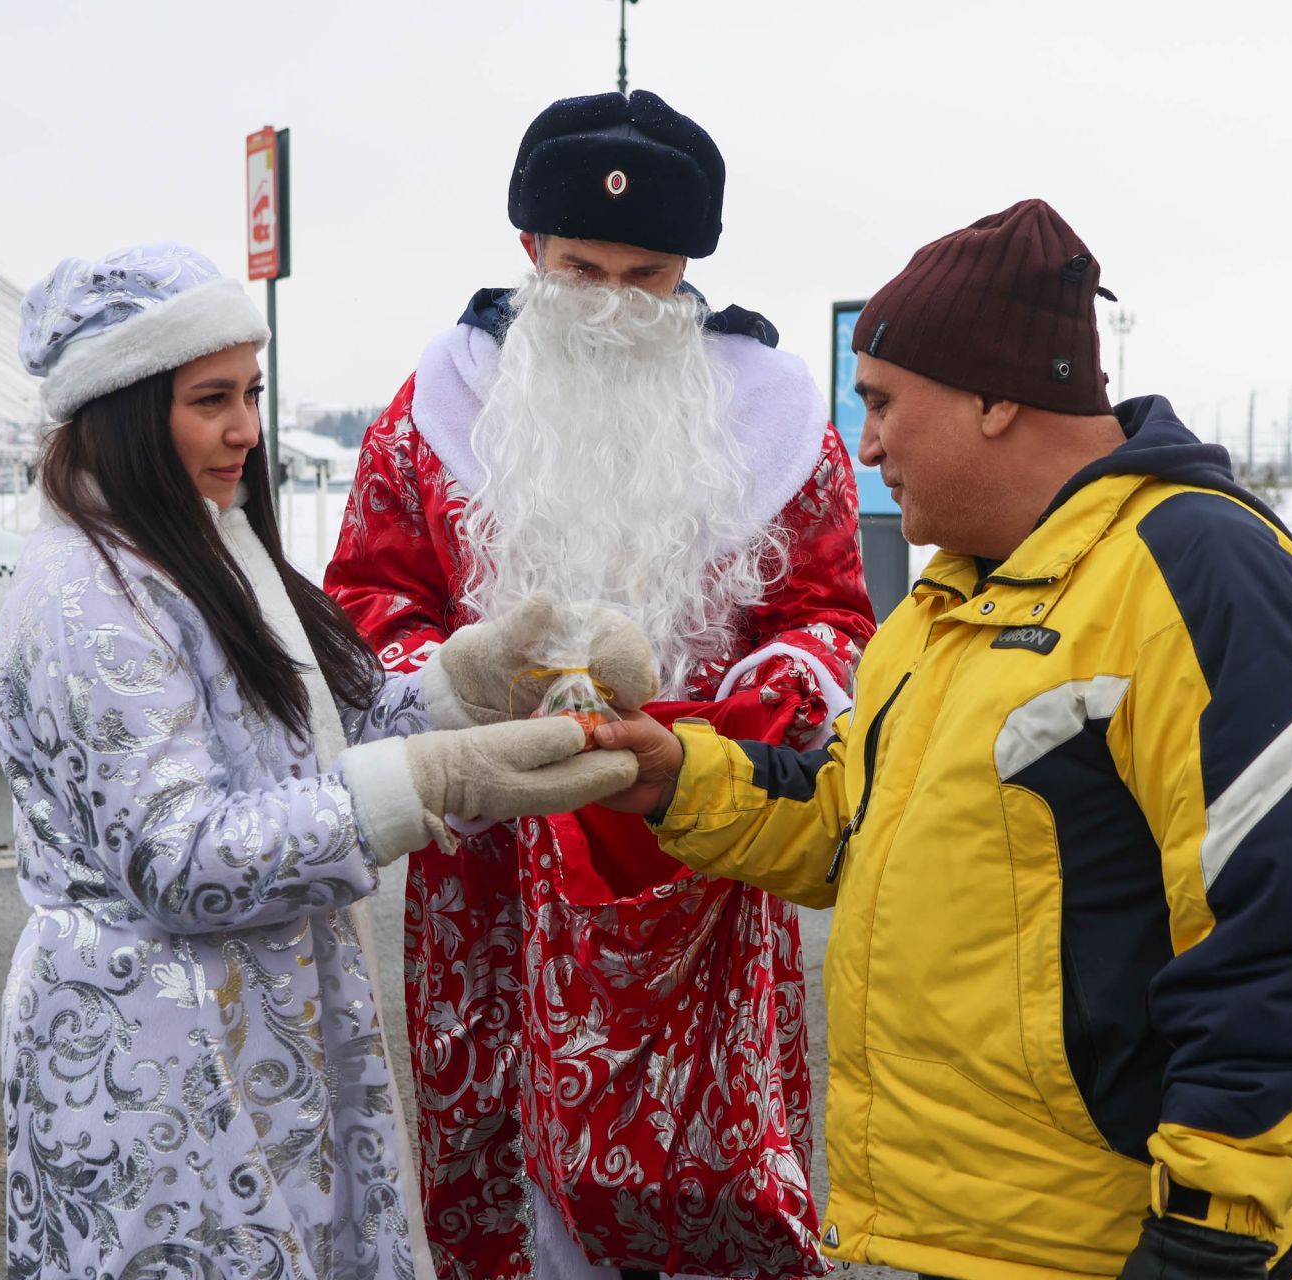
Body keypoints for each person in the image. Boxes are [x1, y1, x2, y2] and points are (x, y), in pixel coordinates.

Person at [595, 201, 1292, 1280]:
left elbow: (1286, 939)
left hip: (1106, 1251)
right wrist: (676, 773)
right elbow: (848, 823)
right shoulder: (952, 595)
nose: (864, 441)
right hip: (946, 1235)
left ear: (996, 397)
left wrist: (1212, 1238)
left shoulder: (1202, 572)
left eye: (881, 403)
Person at [0, 245, 640, 1280]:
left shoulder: (202, 544)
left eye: (250, 391)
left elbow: (323, 739)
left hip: (256, 1032)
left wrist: (458, 690)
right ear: (120, 408)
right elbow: (180, 856)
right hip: (160, 1057)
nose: (245, 426)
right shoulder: (86, 593)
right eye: (211, 399)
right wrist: (430, 782)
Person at [326, 91, 875, 1280]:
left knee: (700, 1175)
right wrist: (457, 686)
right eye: (583, 269)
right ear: (529, 251)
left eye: (648, 273)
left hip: (699, 855)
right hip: (494, 872)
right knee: (511, 1174)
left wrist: (730, 717)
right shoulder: (431, 413)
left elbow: (830, 617)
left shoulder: (782, 422)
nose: (615, 304)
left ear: (689, 269)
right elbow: (365, 609)